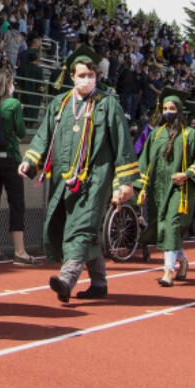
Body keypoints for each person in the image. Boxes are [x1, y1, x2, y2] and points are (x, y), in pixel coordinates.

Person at [21, 46, 138, 303]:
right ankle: (99, 283)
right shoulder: (60, 104)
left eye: (91, 74)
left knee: (81, 228)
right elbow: (44, 136)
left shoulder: (107, 104)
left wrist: (126, 182)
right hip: (64, 179)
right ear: (72, 76)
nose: (87, 79)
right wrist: (31, 160)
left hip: (95, 179)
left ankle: (66, 280)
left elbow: (122, 145)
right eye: (82, 75)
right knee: (74, 227)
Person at [115, 88, 195, 287]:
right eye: (165, 108)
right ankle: (182, 260)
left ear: (179, 111)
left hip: (181, 190)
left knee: (172, 225)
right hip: (159, 190)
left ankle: (168, 271)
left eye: (172, 108)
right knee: (167, 229)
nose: (168, 111)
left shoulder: (191, 135)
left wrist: (188, 174)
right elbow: (144, 163)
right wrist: (139, 188)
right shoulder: (156, 135)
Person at [0, 69, 35, 264]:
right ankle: (19, 251)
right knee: (16, 203)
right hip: (9, 158)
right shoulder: (13, 104)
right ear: (7, 84)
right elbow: (21, 131)